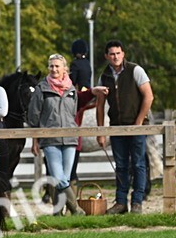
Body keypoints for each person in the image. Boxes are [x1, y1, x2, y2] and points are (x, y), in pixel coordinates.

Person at [27, 54, 92, 215]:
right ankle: (77, 210)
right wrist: (37, 137)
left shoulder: (71, 90)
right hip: (50, 140)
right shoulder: (42, 89)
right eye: (51, 66)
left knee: (65, 179)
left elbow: (74, 113)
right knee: (59, 178)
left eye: (57, 66)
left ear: (65, 69)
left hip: (70, 138)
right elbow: (33, 116)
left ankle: (57, 213)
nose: (54, 69)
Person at [94, 40, 154, 214]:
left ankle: (137, 201)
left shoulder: (135, 70)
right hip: (116, 126)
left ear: (123, 54)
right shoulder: (104, 75)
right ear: (106, 56)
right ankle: (121, 202)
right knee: (120, 165)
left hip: (136, 126)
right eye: (112, 54)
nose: (115, 57)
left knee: (138, 164)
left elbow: (148, 97)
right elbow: (99, 105)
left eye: (118, 53)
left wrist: (139, 122)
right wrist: (101, 131)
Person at [67, 39, 94, 185]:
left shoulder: (75, 64)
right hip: (89, 90)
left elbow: (72, 81)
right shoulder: (87, 62)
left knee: (74, 112)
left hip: (80, 92)